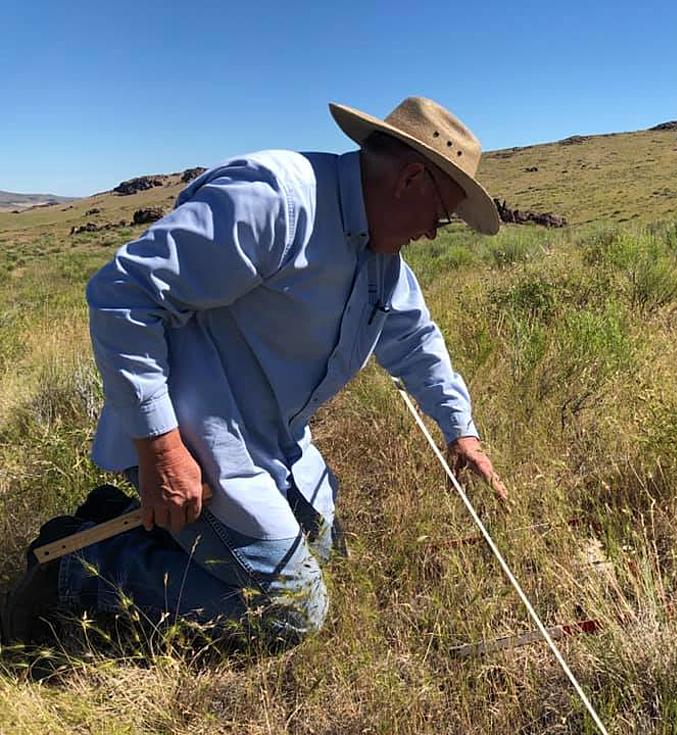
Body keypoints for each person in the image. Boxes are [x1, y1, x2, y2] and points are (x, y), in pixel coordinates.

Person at [3, 96, 508, 647]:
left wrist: (461, 429)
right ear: (410, 178)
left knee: (325, 552)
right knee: (291, 611)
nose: (434, 234)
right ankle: (76, 567)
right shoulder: (277, 199)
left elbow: (414, 340)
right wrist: (161, 452)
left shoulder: (381, 261)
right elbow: (123, 295)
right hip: (196, 440)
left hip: (272, 444)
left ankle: (134, 522)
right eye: (439, 216)